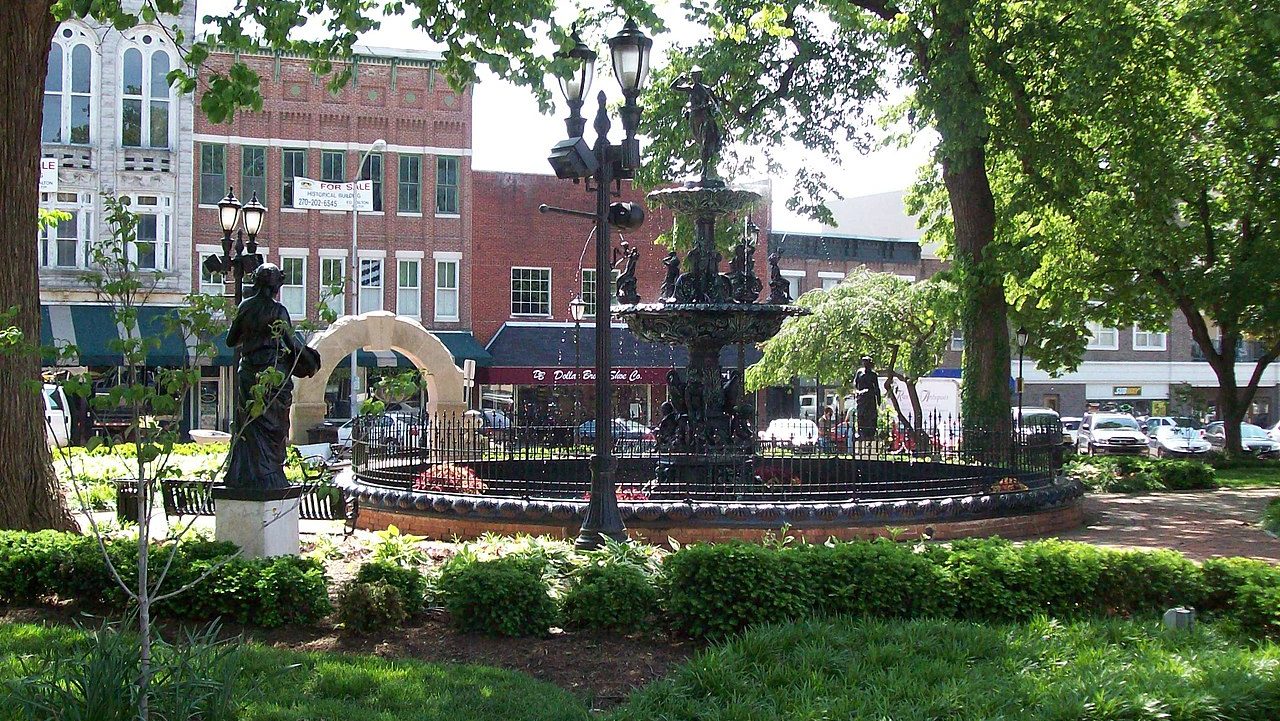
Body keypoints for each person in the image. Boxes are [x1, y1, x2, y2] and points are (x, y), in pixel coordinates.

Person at [223, 264, 319, 490]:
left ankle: (243, 476)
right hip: (273, 376)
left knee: (248, 425)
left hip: (248, 373)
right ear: (276, 285)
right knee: (274, 426)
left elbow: (230, 340)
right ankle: (269, 475)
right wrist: (310, 359)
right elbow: (291, 342)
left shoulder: (245, 306)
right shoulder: (278, 311)